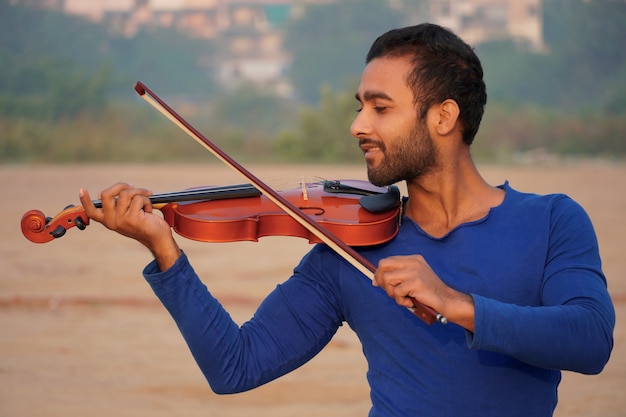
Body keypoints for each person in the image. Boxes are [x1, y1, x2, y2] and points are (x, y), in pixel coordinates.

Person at [78, 23, 615, 416]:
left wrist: (455, 303)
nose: (358, 124)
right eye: (359, 106)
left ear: (444, 116)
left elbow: (591, 341)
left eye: (380, 108)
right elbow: (234, 367)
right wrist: (165, 252)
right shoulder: (346, 250)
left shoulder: (552, 221)